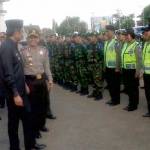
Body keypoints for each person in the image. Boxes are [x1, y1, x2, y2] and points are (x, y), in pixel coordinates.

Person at [0, 19, 34, 150]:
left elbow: (17, 69)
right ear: (16, 32)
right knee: (14, 124)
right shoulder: (6, 47)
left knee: (27, 120)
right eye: (22, 31)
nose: (23, 33)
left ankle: (30, 145)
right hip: (15, 94)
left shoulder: (13, 45)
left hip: (21, 91)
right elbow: (8, 73)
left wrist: (24, 84)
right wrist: (15, 94)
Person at [21, 29, 53, 142]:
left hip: (41, 80)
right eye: (31, 37)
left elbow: (47, 66)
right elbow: (20, 70)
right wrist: (24, 84)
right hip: (30, 81)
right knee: (33, 107)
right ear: (28, 39)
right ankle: (35, 130)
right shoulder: (23, 51)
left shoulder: (44, 50)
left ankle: (41, 125)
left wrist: (50, 80)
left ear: (38, 39)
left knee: (43, 105)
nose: (33, 39)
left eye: (35, 37)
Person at [121, 29, 141, 111]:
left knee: (133, 89)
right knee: (128, 88)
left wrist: (137, 71)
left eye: (127, 35)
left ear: (132, 35)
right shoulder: (125, 44)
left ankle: (134, 105)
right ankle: (131, 103)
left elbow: (139, 60)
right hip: (125, 70)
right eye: (125, 35)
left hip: (133, 71)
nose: (126, 37)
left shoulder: (136, 45)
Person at [104, 25, 121, 106]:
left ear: (112, 31)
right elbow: (106, 55)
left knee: (115, 85)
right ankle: (112, 99)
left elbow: (118, 55)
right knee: (110, 84)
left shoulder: (116, 41)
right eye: (106, 31)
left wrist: (118, 67)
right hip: (108, 67)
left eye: (107, 31)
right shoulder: (106, 42)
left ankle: (116, 100)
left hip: (115, 68)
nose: (106, 33)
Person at [142, 26, 150, 117]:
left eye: (146, 33)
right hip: (146, 74)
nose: (145, 35)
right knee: (148, 92)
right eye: (144, 34)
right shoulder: (146, 44)